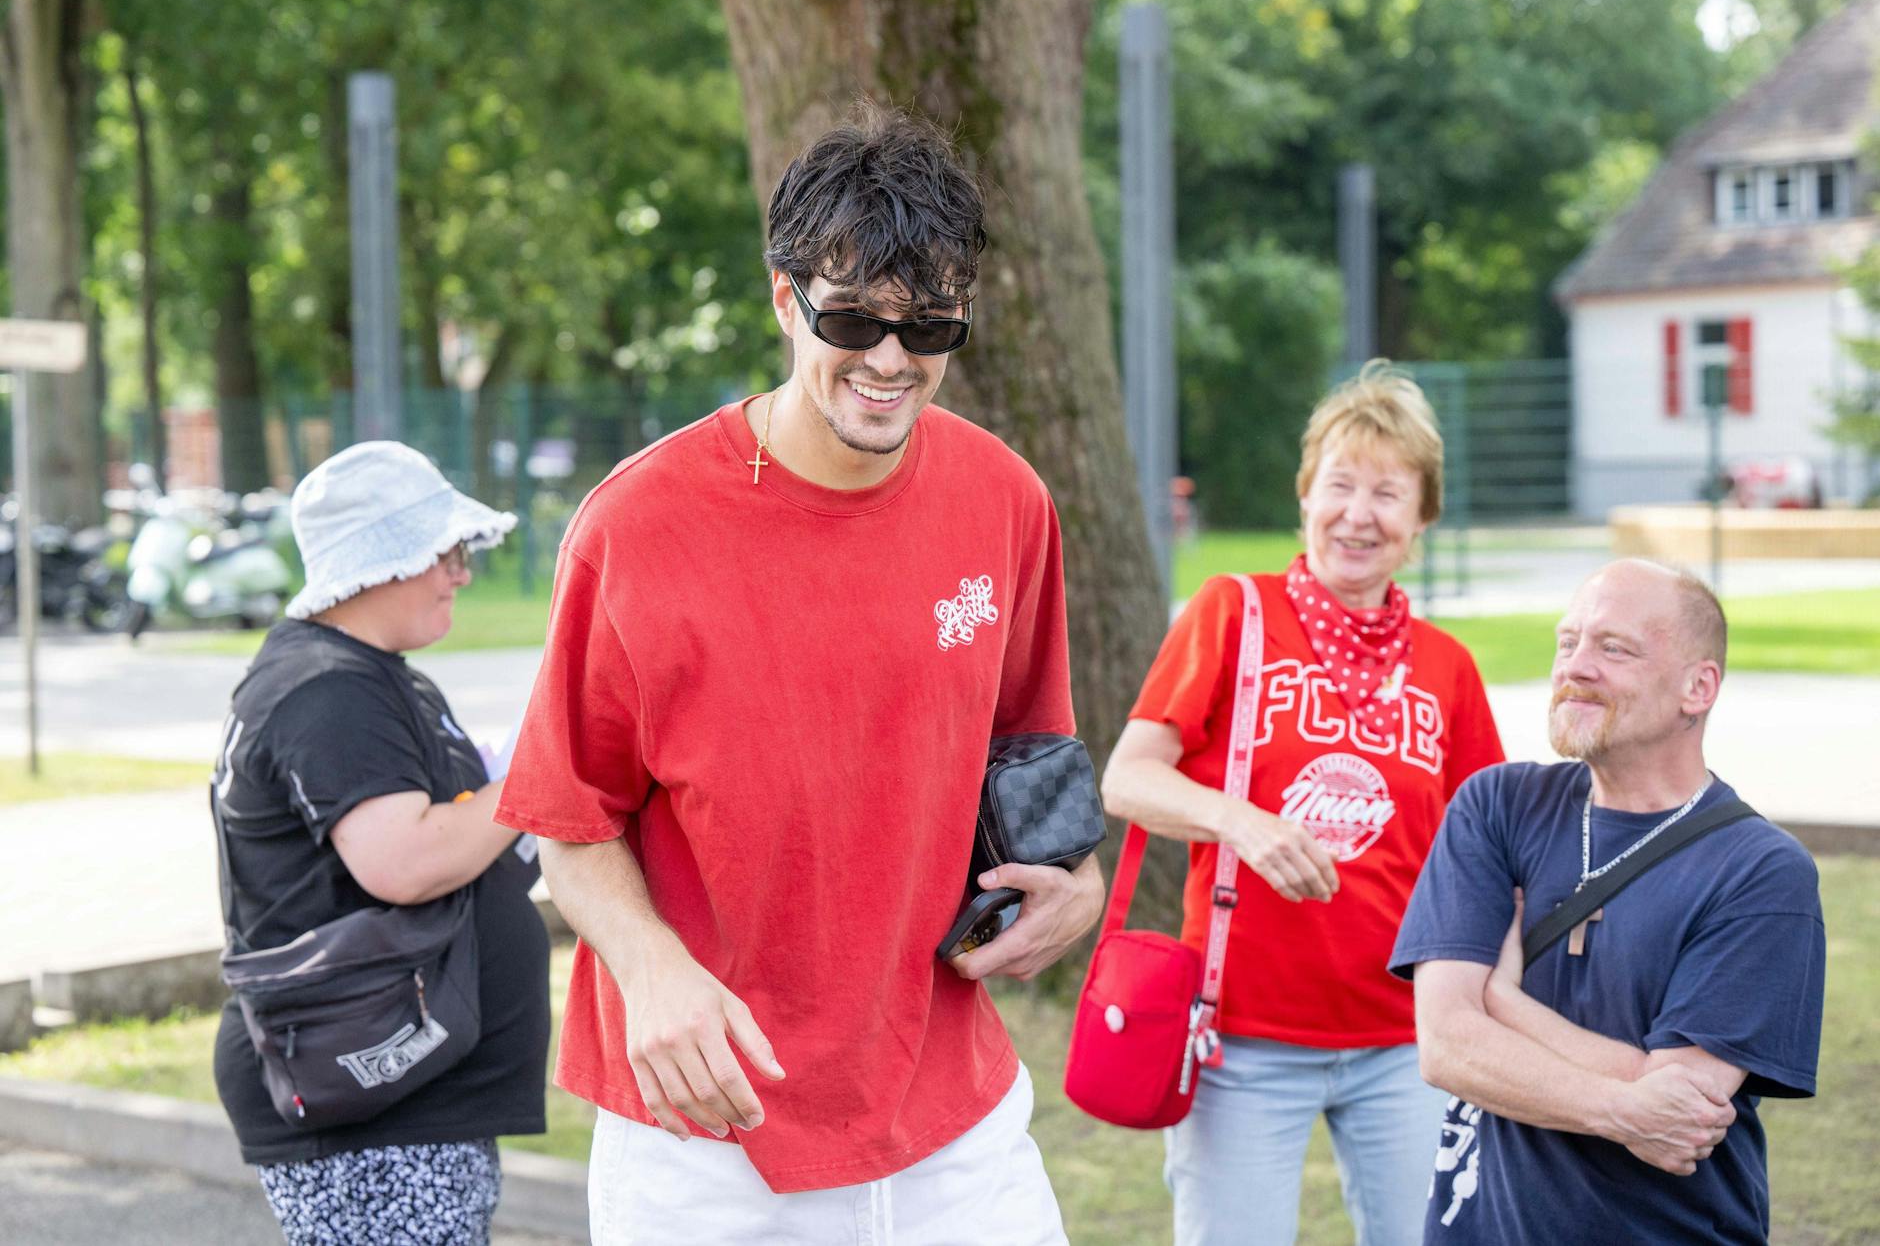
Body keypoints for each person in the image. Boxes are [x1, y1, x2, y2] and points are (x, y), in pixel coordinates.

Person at [494, 107, 1101, 1243]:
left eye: (927, 328)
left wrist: (1078, 881)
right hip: (708, 1129)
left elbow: (1029, 753)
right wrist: (650, 969)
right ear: (784, 300)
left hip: (951, 1119)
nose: (888, 358)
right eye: (852, 317)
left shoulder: (1006, 500)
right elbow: (567, 820)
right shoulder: (636, 526)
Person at [1102, 362, 1506, 1246]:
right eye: (1341, 484)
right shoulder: (1232, 614)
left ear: (1421, 521)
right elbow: (1127, 777)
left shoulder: (1447, 669)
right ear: (1306, 495)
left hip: (1409, 1041)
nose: (1359, 514)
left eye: (1388, 493)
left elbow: (1485, 853)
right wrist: (1237, 818)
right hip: (1242, 1040)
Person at [1390, 560, 1825, 1243]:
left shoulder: (1761, 872)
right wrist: (1626, 1104)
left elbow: (1685, 1106)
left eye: (1613, 647)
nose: (1576, 666)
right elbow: (1446, 1045)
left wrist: (1499, 999)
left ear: (1697, 686)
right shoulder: (1497, 806)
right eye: (1569, 642)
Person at [210, 441, 550, 1246]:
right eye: (447, 552)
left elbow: (464, 832)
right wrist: (547, 771)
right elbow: (407, 860)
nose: (461, 572)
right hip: (373, 1105)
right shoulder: (329, 691)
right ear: (382, 559)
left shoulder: (365, 674)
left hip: (400, 1091)